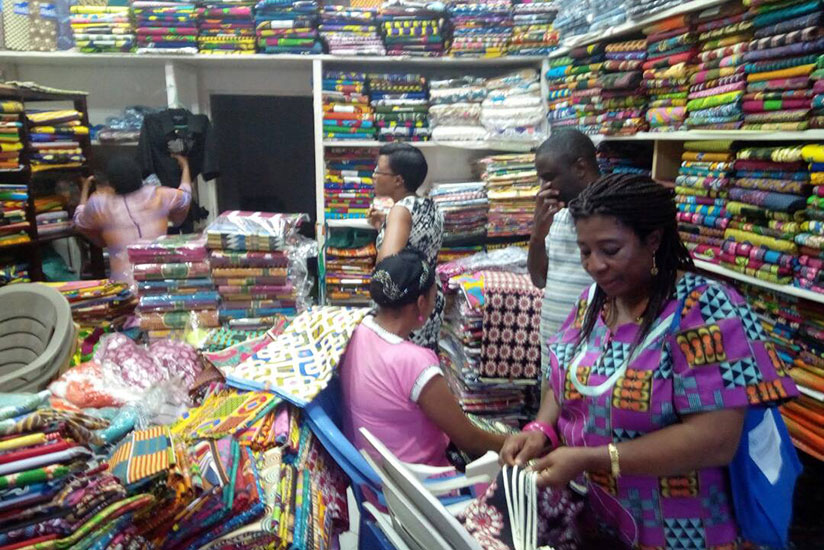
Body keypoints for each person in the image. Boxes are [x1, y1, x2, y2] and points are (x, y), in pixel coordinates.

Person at [467, 174, 797, 550]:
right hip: (603, 518)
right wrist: (541, 428)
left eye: (610, 249)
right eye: (585, 251)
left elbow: (714, 440)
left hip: (685, 530)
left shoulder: (705, 310)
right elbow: (563, 378)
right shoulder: (594, 302)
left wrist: (592, 459)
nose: (595, 265)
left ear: (653, 240)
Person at [340, 248, 505, 466]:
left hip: (374, 478)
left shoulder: (357, 330)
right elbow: (470, 440)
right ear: (420, 303)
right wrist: (521, 442)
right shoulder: (415, 362)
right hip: (423, 488)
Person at [528, 129, 600, 380]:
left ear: (580, 168)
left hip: (593, 355)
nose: (544, 188)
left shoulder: (610, 219)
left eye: (549, 177)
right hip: (553, 352)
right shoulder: (558, 216)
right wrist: (537, 235)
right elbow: (539, 279)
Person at [368, 142, 444, 352]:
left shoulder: (400, 211)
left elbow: (388, 268)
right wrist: (383, 225)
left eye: (378, 171)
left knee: (400, 371)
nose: (374, 176)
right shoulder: (430, 205)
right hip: (427, 298)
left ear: (398, 180)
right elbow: (416, 243)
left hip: (404, 309)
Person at [73, 154, 192, 284]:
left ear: (111, 182)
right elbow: (185, 195)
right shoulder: (159, 195)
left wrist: (85, 189)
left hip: (123, 288)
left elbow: (79, 221)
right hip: (161, 281)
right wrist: (185, 167)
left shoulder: (99, 204)